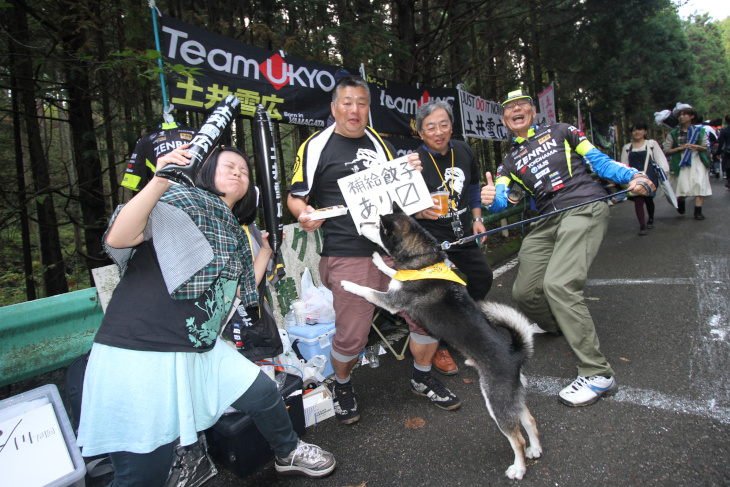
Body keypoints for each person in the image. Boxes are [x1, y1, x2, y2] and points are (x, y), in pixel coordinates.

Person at [77, 145, 335, 485]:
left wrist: (267, 250)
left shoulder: (235, 234)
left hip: (200, 346)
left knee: (262, 392)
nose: (238, 173)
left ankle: (287, 452)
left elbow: (241, 292)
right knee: (144, 474)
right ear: (206, 171)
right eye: (229, 166)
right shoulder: (177, 202)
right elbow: (119, 238)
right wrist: (158, 182)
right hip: (141, 349)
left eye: (244, 172)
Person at [287, 75, 462, 424]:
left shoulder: (380, 143)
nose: (354, 110)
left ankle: (422, 376)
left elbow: (396, 195)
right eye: (347, 102)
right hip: (348, 252)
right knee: (353, 335)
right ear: (334, 107)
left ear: (369, 108)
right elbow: (296, 197)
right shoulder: (315, 146)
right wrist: (303, 214)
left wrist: (416, 192)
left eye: (362, 103)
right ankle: (343, 383)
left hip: (395, 249)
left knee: (427, 313)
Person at [481, 89, 655, 407]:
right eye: (509, 107)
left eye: (522, 104)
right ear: (505, 119)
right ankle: (557, 324)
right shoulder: (508, 162)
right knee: (525, 292)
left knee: (558, 285)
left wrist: (633, 174)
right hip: (547, 220)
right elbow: (505, 199)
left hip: (583, 205)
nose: (516, 109)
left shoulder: (563, 131)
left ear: (533, 111)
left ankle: (598, 373)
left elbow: (599, 161)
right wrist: (493, 199)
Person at [412, 100, 494, 375]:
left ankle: (457, 327)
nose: (438, 132)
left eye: (443, 124)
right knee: (437, 295)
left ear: (451, 126)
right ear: (420, 132)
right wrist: (419, 213)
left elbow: (472, 186)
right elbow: (398, 207)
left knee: (482, 278)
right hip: (431, 240)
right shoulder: (414, 162)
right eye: (430, 127)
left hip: (463, 234)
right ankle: (440, 344)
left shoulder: (463, 149)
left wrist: (478, 217)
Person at [662, 106, 712, 220]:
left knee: (699, 184)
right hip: (681, 161)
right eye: (679, 115)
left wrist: (697, 147)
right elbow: (667, 150)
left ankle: (698, 211)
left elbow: (705, 147)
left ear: (692, 116)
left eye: (684, 115)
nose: (681, 117)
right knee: (682, 188)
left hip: (697, 160)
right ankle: (681, 202)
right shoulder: (673, 133)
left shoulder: (700, 131)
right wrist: (681, 148)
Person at [620, 122, 670, 235]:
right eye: (634, 130)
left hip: (650, 176)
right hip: (634, 178)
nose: (636, 132)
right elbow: (624, 164)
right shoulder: (627, 148)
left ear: (645, 131)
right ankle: (642, 225)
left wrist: (664, 172)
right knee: (638, 200)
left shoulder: (651, 144)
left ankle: (651, 218)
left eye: (639, 129)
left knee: (648, 199)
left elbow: (660, 158)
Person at [121, 121, 196, 192]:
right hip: (162, 193)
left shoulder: (146, 139)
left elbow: (134, 182)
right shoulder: (145, 140)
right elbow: (134, 180)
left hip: (191, 193)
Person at [716, 115, 730, 189]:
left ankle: (729, 181)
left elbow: (720, 143)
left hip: (728, 151)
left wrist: (718, 152)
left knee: (728, 166)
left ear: (726, 121)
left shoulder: (724, 131)